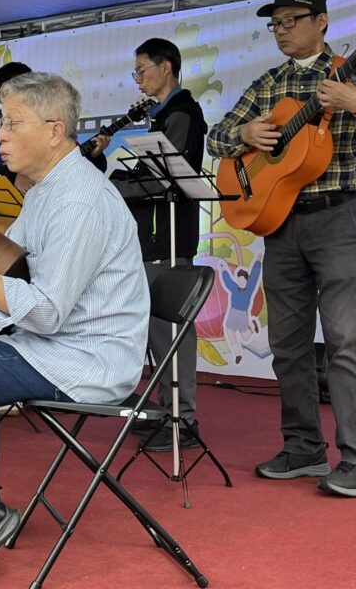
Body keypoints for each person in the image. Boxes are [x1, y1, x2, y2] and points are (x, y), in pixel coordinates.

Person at [0, 72, 149, 588]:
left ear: (55, 130)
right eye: (1, 122)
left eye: (12, 123)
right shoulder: (46, 190)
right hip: (52, 345)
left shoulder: (80, 200)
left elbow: (45, 312)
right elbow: (4, 261)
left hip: (87, 360)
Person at [206, 0, 356, 498]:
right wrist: (245, 135)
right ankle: (302, 448)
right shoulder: (268, 84)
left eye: (291, 20)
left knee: (343, 343)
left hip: (340, 220)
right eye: (275, 23)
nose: (281, 30)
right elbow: (216, 138)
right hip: (281, 224)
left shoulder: (355, 73)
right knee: (287, 345)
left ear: (321, 21)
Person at [118, 38, 207, 451]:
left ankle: (182, 419)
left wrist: (115, 187)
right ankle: (165, 409)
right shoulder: (159, 117)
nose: (138, 79)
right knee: (155, 331)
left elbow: (163, 180)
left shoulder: (182, 114)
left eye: (142, 70)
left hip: (167, 238)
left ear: (166, 67)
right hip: (151, 237)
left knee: (172, 331)